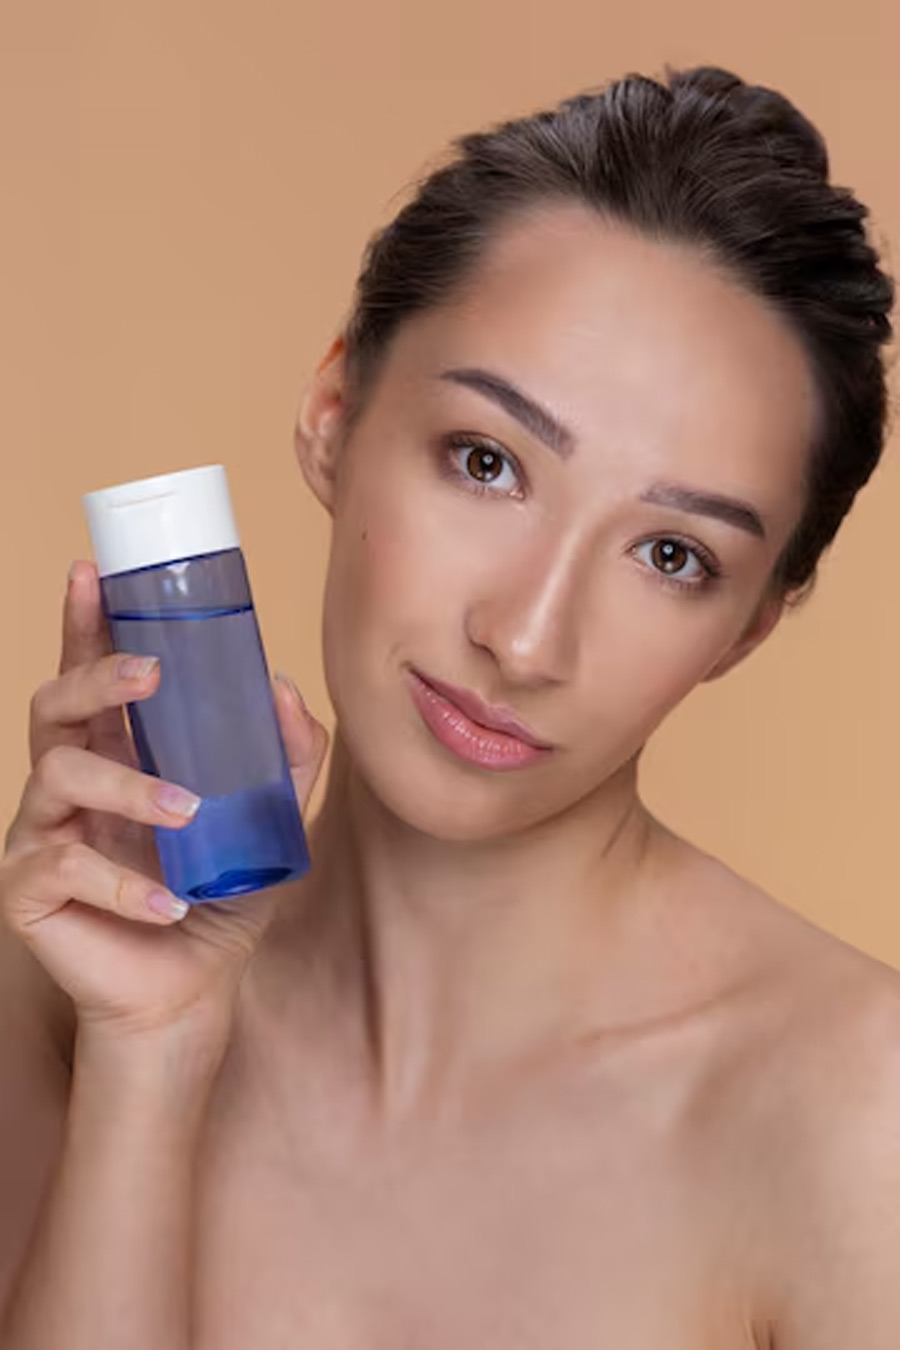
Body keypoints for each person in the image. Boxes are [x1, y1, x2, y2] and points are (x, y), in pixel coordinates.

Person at [0, 62, 897, 1348]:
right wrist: (148, 1059)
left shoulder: (855, 1116)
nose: (525, 639)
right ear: (335, 413)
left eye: (672, 555)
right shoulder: (64, 986)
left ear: (748, 626)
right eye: (488, 462)